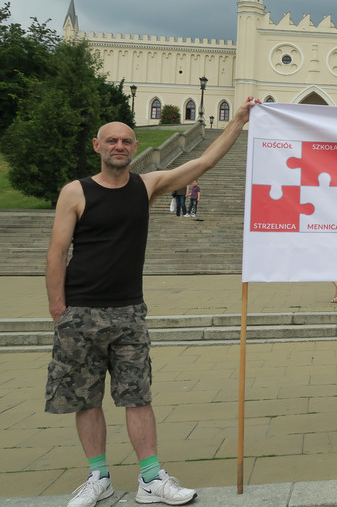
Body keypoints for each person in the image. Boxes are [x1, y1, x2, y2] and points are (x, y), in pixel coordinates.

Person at [46, 96, 259, 507]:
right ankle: (98, 477)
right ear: (98, 146)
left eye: (127, 140)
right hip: (81, 311)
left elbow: (203, 164)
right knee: (85, 399)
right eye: (112, 140)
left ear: (133, 148)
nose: (120, 146)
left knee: (137, 396)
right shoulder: (75, 192)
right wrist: (59, 308)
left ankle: (150, 479)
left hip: (129, 311)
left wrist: (238, 120)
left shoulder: (145, 186)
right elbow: (56, 253)